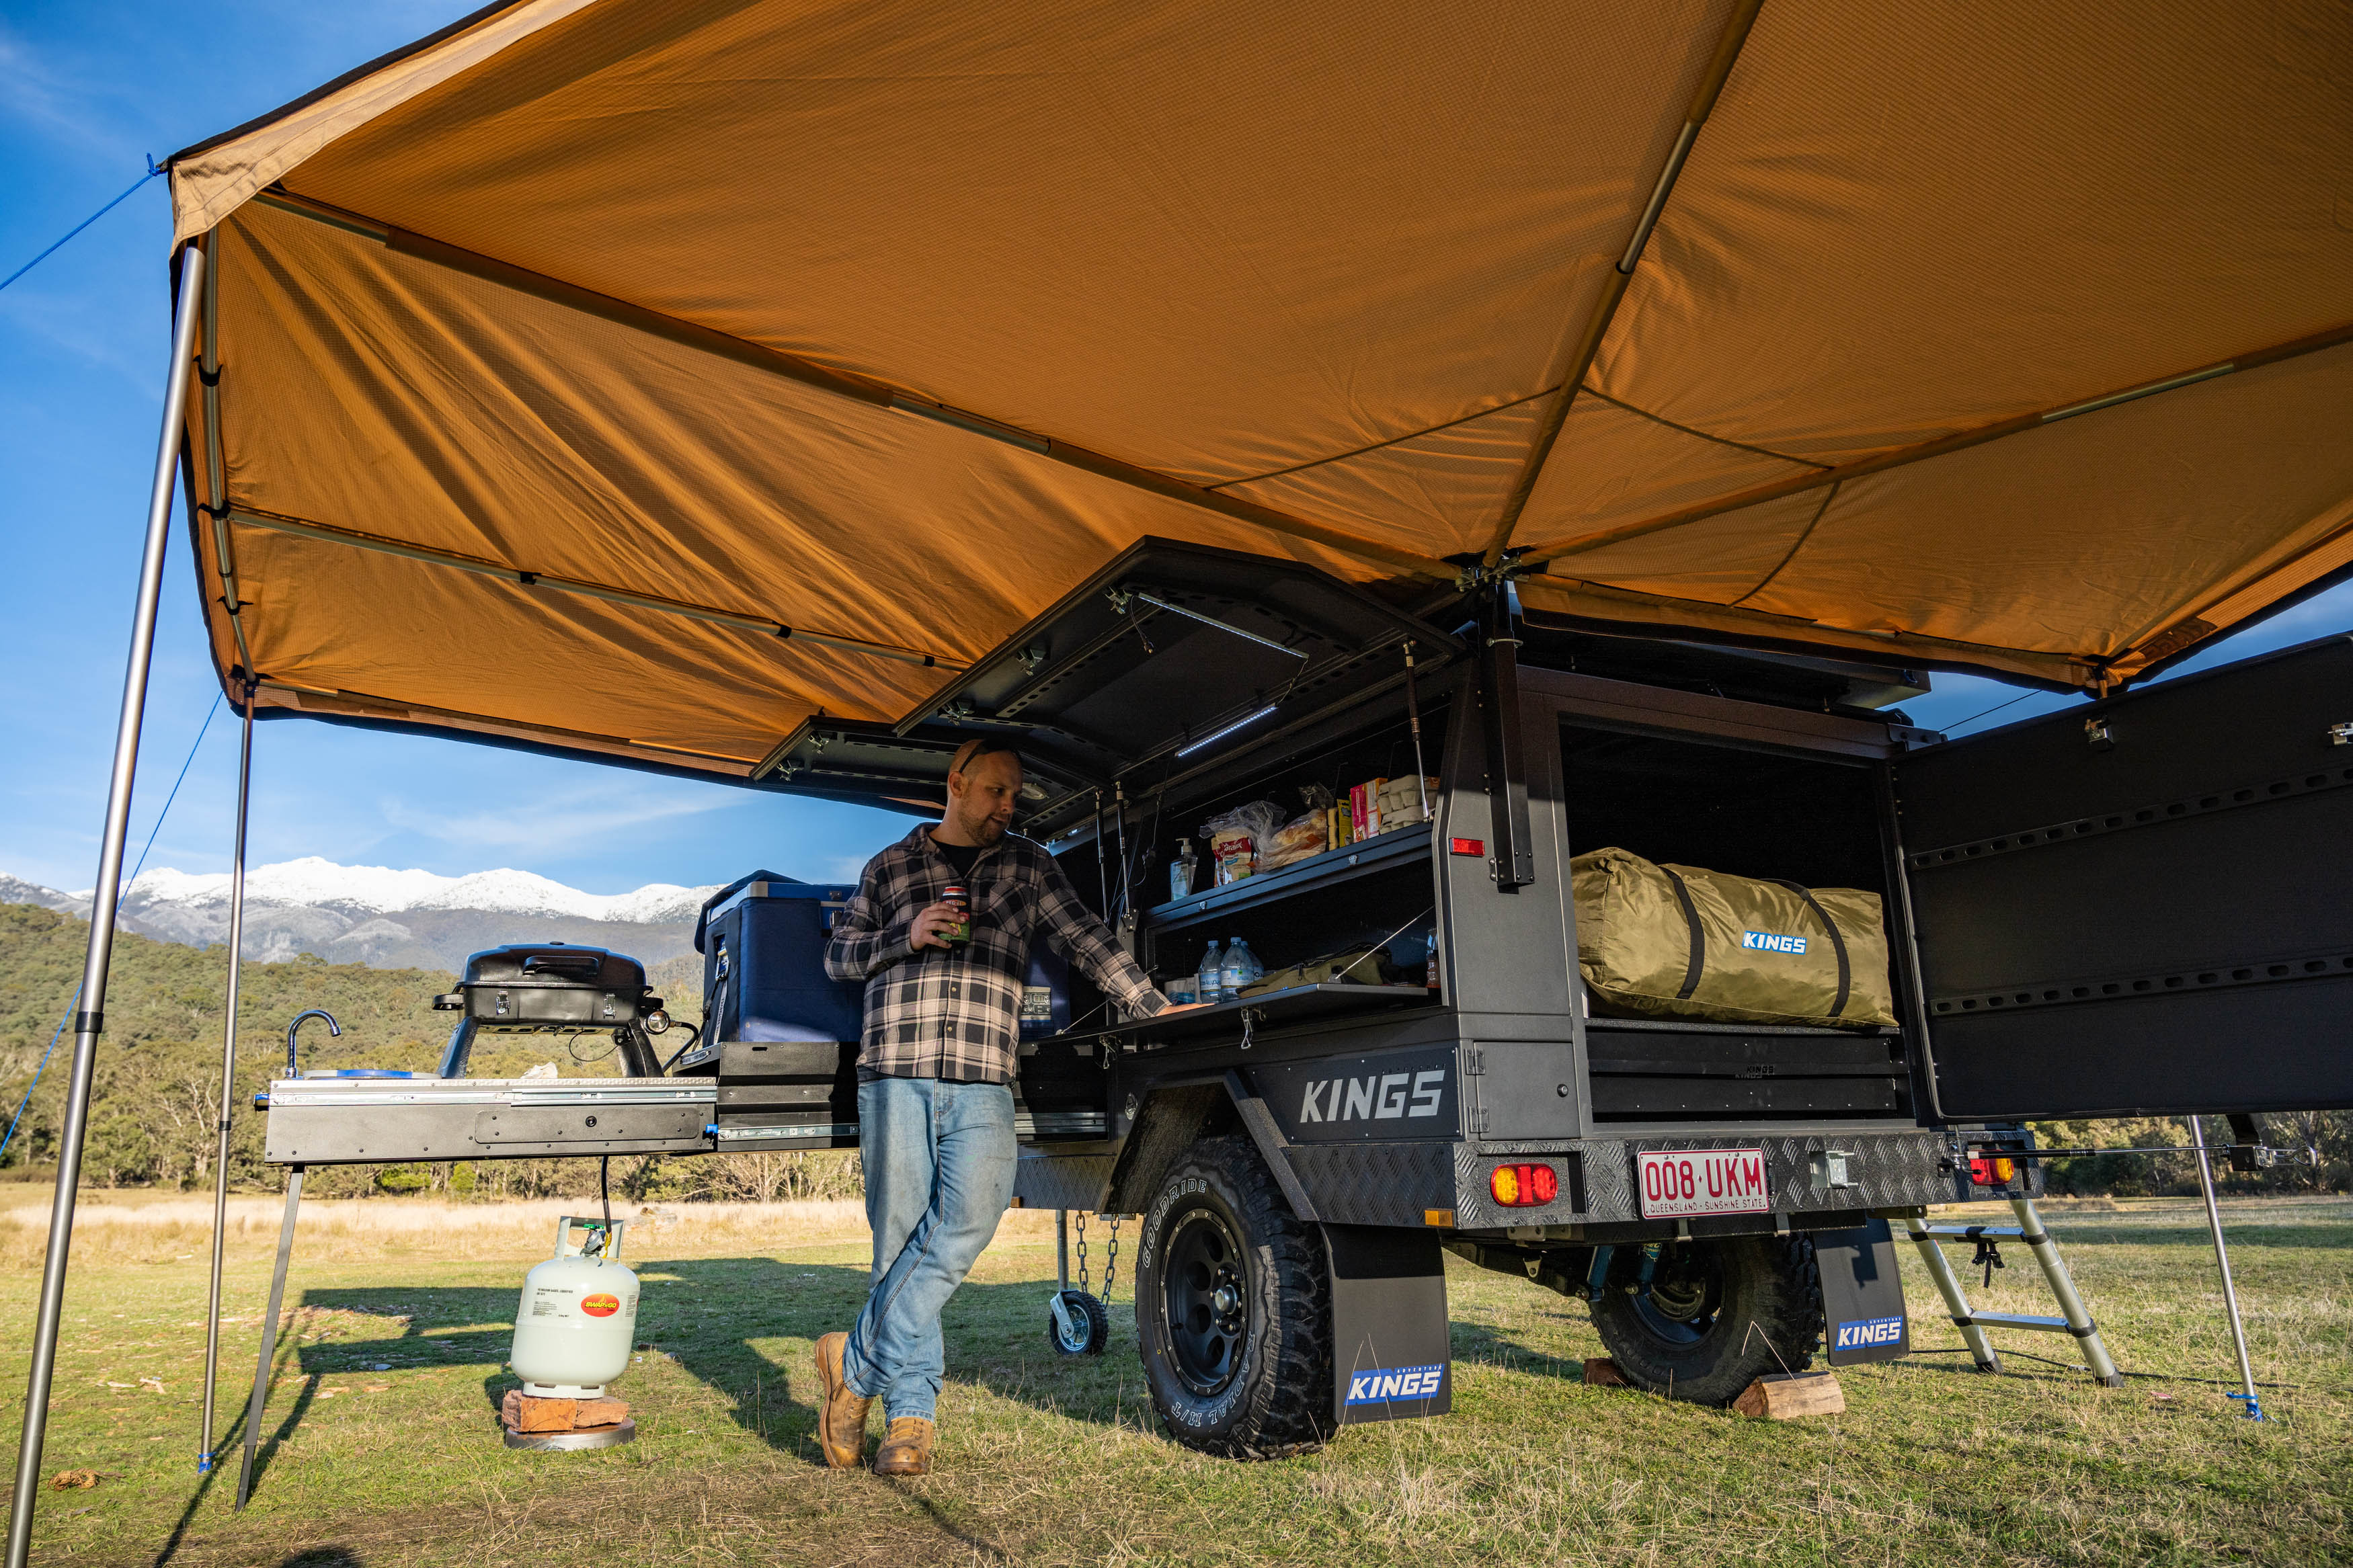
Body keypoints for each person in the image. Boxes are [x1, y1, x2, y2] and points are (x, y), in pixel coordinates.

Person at [813, 737, 1199, 1475]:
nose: (1006, 806)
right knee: (899, 1243)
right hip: (894, 1072)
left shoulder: (1026, 864)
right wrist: (908, 933)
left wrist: (1149, 1005)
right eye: (994, 790)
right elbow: (838, 955)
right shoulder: (889, 866)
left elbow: (1086, 936)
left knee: (966, 1223)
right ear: (955, 783)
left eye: (1013, 794)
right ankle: (910, 1420)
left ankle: (852, 1367)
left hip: (983, 1076)